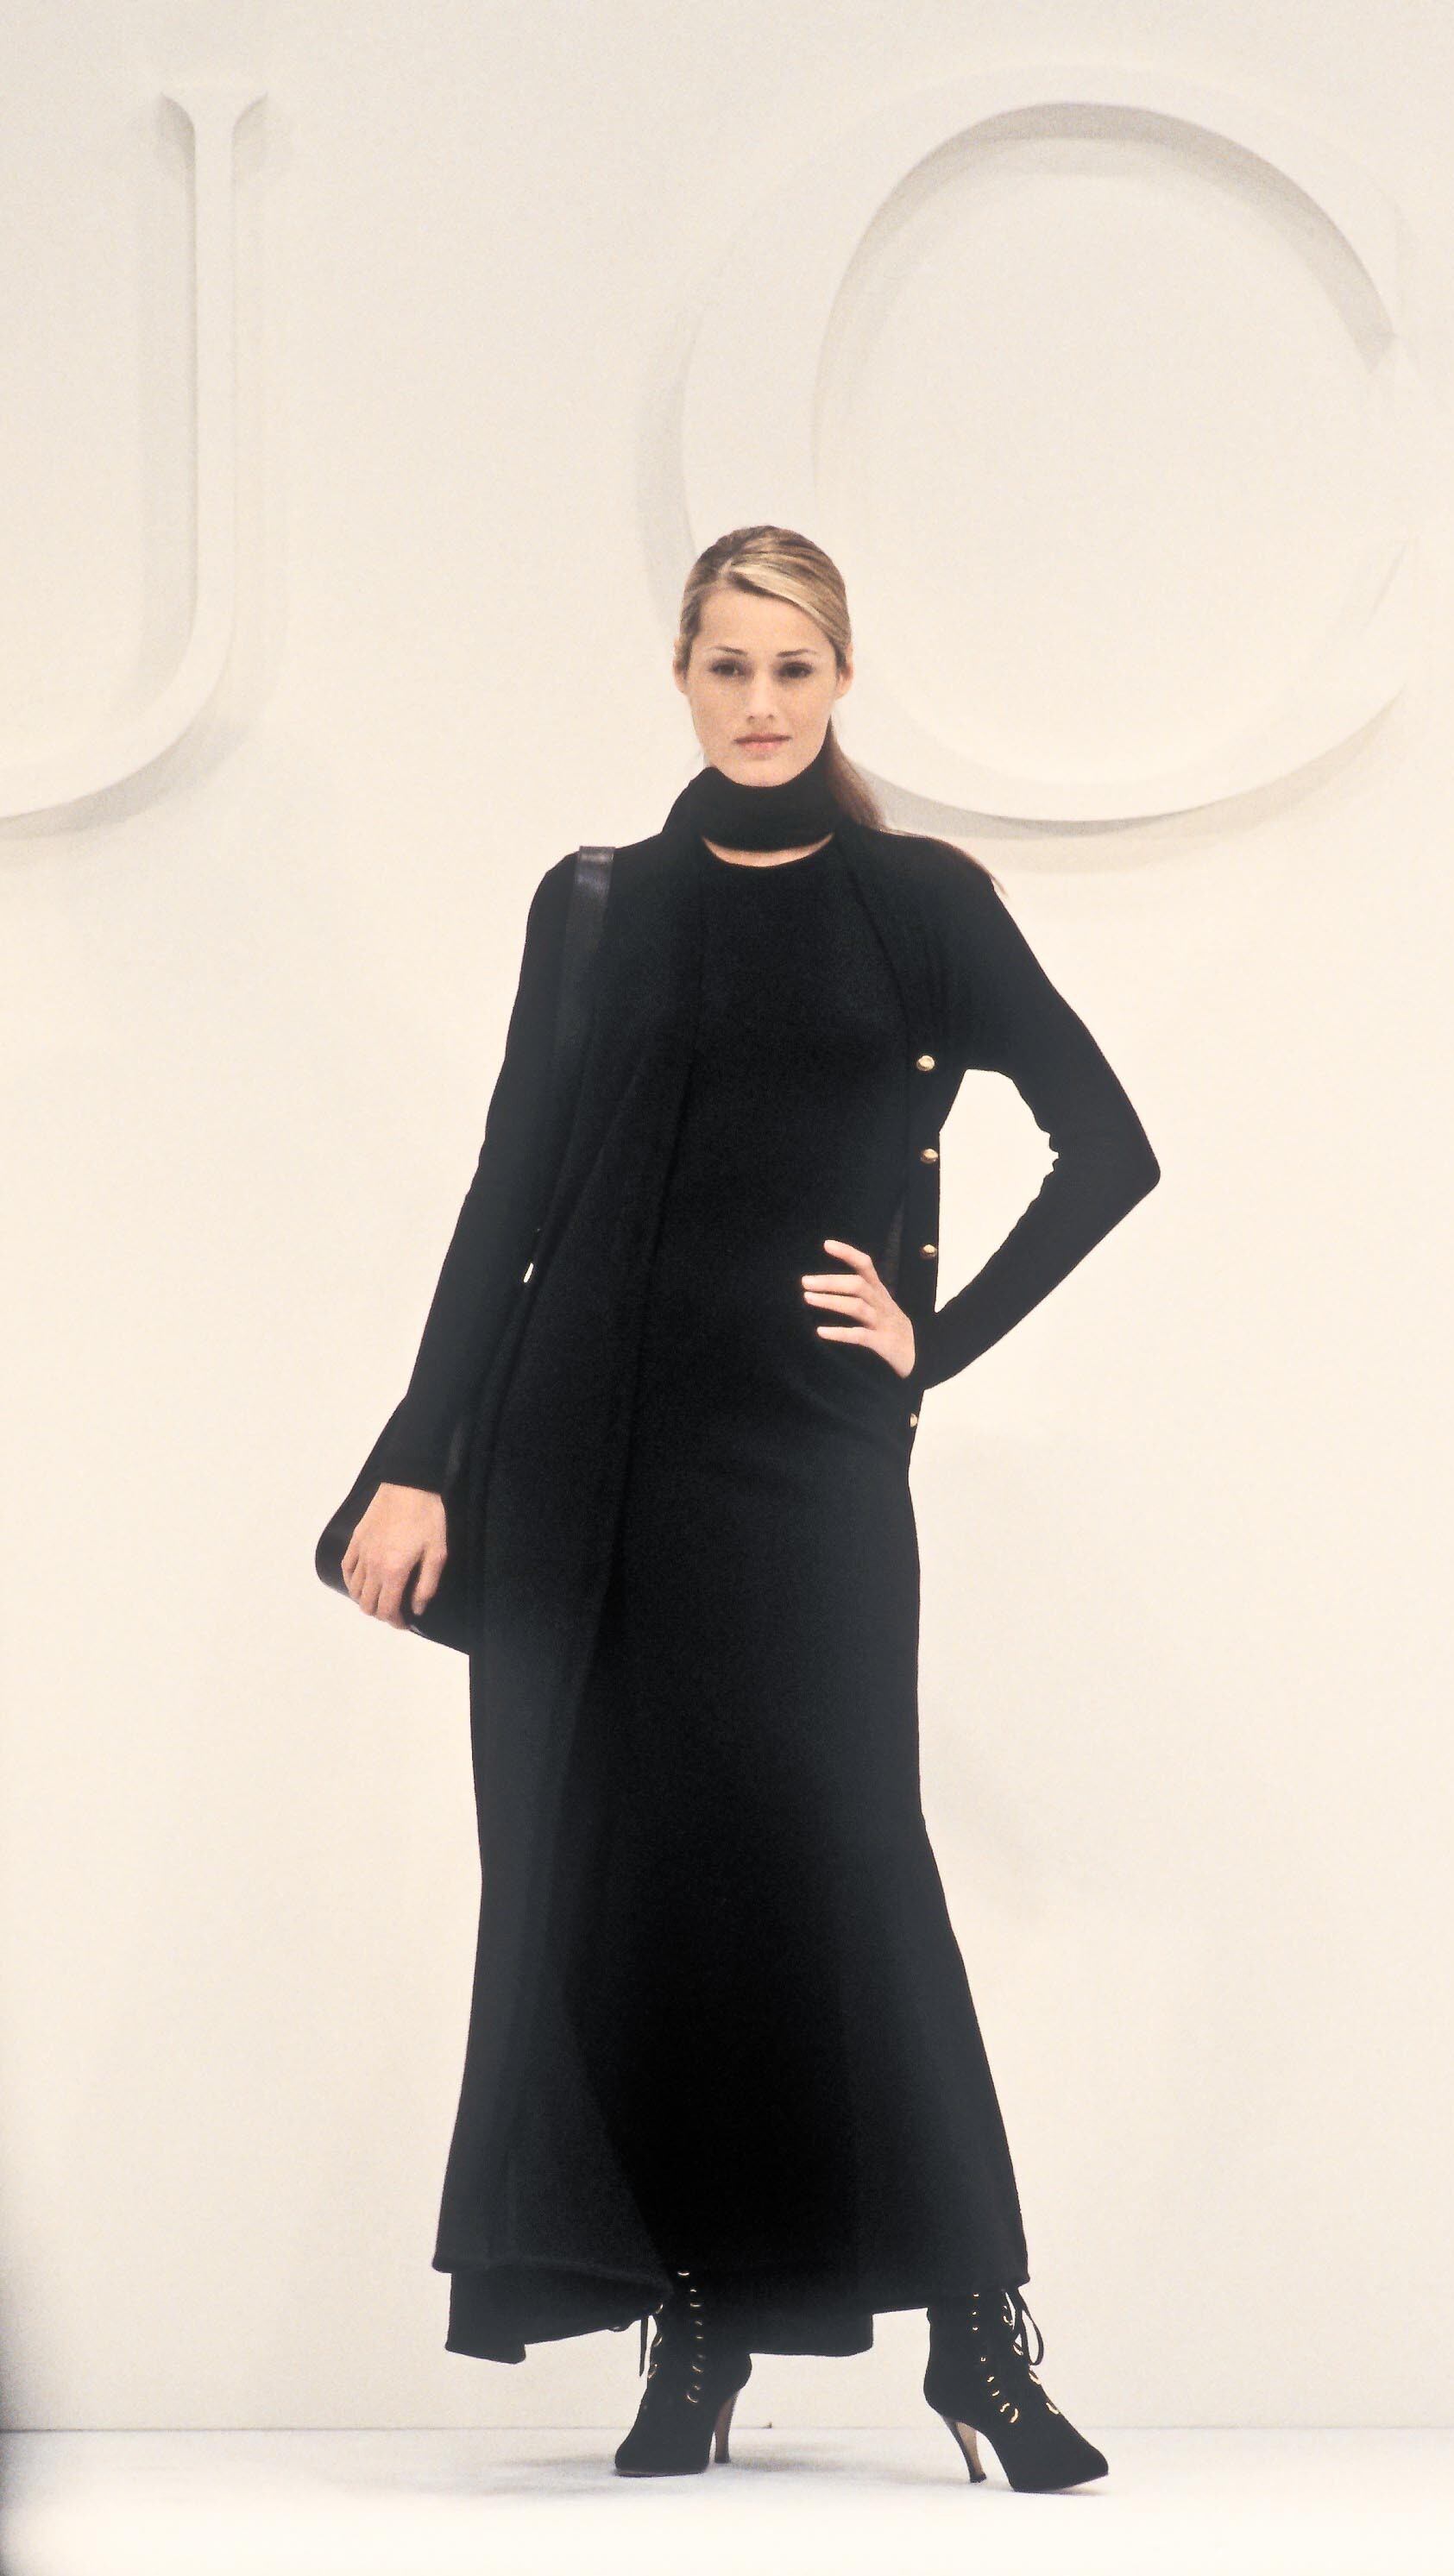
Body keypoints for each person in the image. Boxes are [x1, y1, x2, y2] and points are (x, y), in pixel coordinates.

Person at [340, 526, 1161, 2490]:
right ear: (683, 677)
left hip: (799, 1462)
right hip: (583, 1462)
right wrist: (420, 1453)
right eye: (727, 665)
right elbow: (509, 1189)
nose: (761, 702)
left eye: (793, 668)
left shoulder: (920, 904)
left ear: (841, 677)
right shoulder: (598, 904)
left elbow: (1107, 1145)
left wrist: (927, 1342)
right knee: (626, 1881)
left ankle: (977, 2335)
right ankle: (694, 2321)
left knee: (849, 1864)